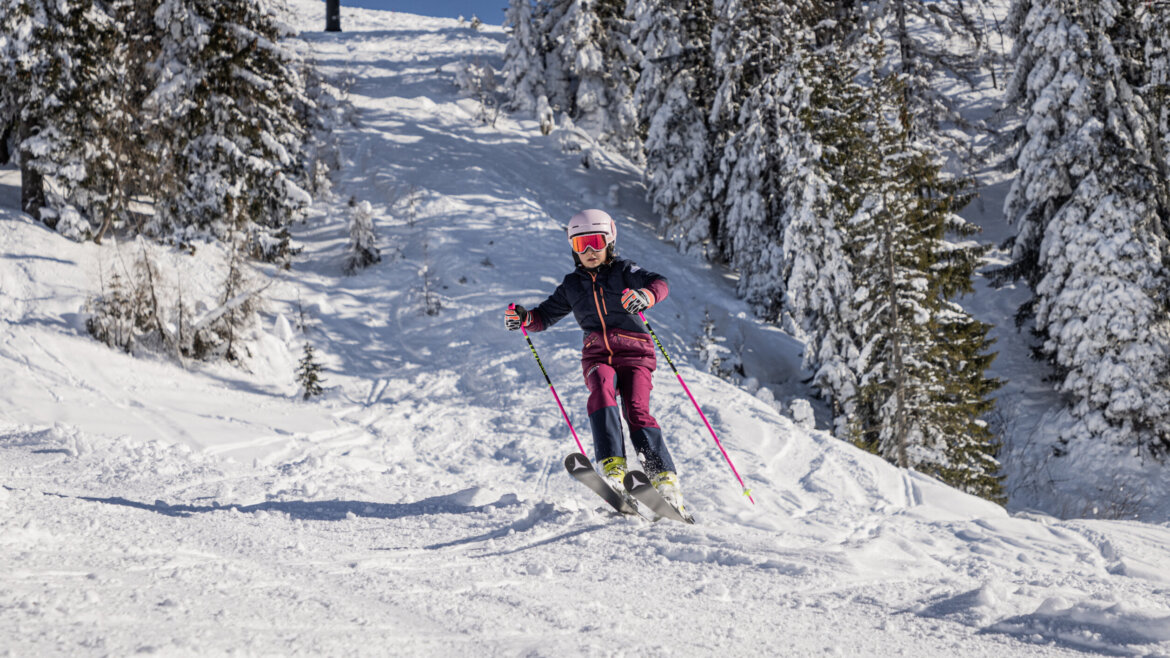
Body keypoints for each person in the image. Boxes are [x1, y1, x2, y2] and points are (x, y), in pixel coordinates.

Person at [505, 209, 686, 513]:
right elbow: (544, 316)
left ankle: (664, 479)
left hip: (635, 352)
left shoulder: (624, 271)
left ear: (609, 242)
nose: (589, 251)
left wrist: (646, 296)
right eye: (580, 244)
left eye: (595, 242)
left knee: (637, 410)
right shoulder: (572, 286)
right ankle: (614, 469)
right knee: (601, 393)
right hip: (597, 354)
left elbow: (660, 282)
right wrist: (524, 318)